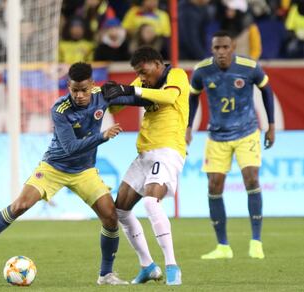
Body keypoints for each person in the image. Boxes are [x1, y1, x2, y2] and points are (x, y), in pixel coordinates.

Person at [0, 62, 153, 285]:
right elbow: (71, 147)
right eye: (74, 90)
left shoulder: (102, 96)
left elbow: (136, 99)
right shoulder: (60, 109)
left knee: (111, 217)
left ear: (92, 85)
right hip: (54, 167)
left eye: (84, 90)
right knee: (20, 206)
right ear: (68, 86)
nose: (79, 95)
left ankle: (106, 274)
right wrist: (102, 136)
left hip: (84, 172)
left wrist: (152, 96)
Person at [101, 46, 189, 285]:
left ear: (157, 64)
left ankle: (172, 265)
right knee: (120, 210)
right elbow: (118, 105)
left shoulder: (176, 75)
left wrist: (130, 89)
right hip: (145, 153)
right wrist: (108, 94)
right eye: (137, 73)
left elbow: (169, 97)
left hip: (168, 149)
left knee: (151, 201)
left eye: (144, 71)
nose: (141, 77)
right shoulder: (143, 81)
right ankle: (148, 265)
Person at [186, 30, 275, 259]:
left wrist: (271, 125)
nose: (221, 52)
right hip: (217, 135)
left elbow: (267, 91)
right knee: (213, 186)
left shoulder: (249, 66)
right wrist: (188, 127)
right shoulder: (202, 70)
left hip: (247, 132)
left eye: (225, 47)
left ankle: (256, 241)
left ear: (233, 47)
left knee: (251, 178)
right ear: (212, 49)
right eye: (216, 48)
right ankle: (223, 246)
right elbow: (193, 96)